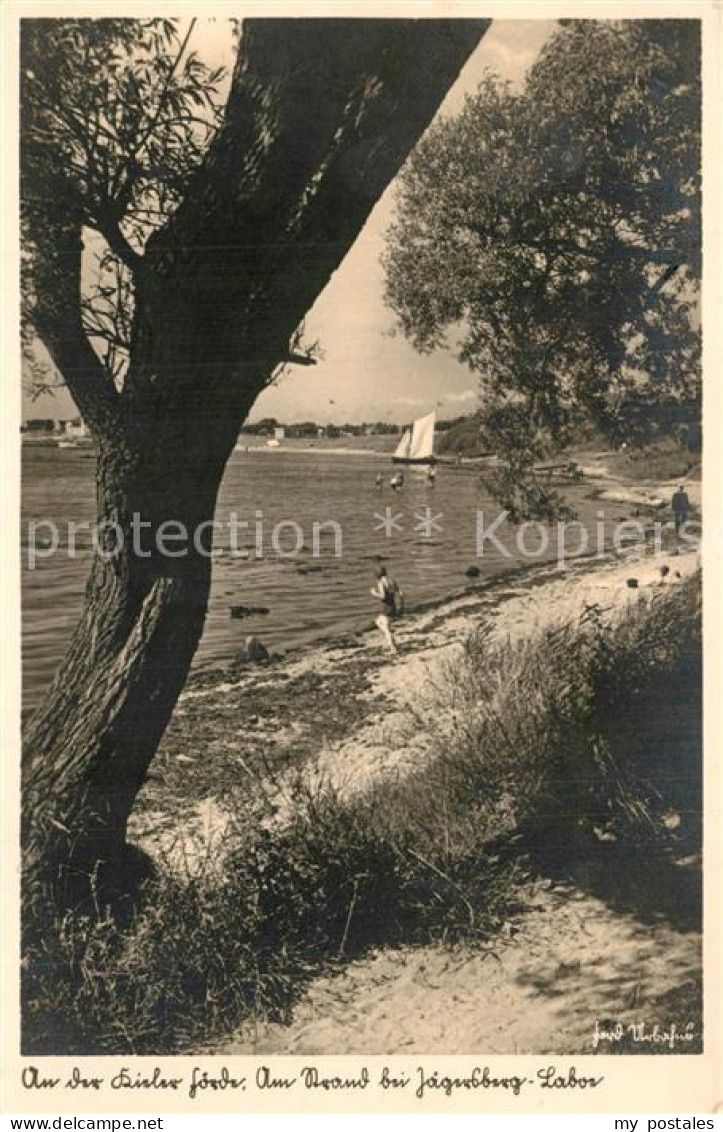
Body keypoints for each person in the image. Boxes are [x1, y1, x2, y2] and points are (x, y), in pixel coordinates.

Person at [370, 565, 403, 654]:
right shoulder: (391, 581)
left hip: (386, 607)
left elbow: (383, 596)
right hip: (393, 606)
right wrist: (401, 605)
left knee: (386, 629)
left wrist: (374, 593)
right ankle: (391, 643)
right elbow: (400, 593)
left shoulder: (381, 583)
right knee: (378, 622)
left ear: (377, 574)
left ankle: (393, 648)